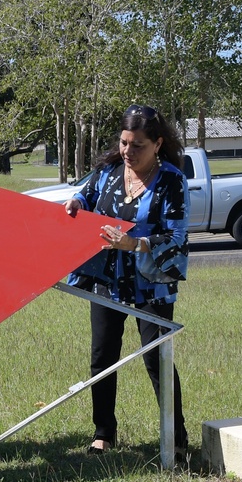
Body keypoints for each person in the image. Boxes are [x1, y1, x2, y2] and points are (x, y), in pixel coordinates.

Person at [64, 103, 190, 463]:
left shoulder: (171, 180)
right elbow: (86, 195)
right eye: (124, 143)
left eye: (137, 146)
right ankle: (103, 433)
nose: (128, 152)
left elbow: (178, 236)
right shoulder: (107, 171)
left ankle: (175, 437)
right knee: (102, 356)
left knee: (157, 359)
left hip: (151, 281)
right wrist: (75, 201)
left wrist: (135, 244)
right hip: (108, 276)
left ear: (158, 144)